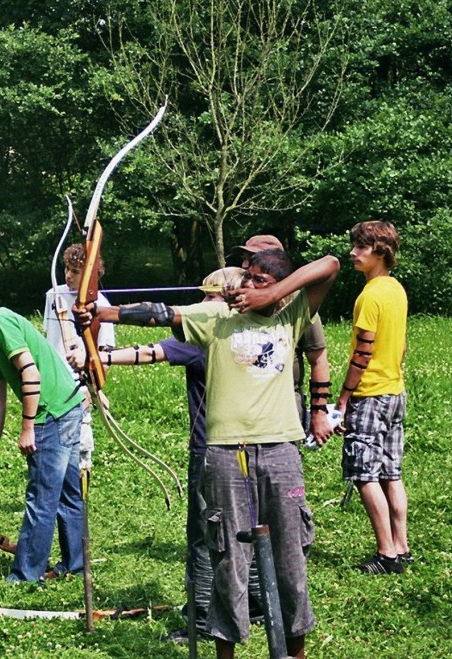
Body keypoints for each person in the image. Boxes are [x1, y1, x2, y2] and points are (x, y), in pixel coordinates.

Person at [77, 250, 339, 659]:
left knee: (291, 562)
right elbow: (161, 315)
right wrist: (99, 314)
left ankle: (295, 652)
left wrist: (272, 297)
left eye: (257, 280)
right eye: (245, 278)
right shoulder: (217, 319)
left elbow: (329, 265)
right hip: (224, 454)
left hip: (280, 452)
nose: (245, 285)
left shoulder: (293, 316)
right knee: (227, 561)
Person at [91, 267, 257, 642]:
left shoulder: (209, 330)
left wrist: (102, 356)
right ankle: (256, 606)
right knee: (249, 530)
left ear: (223, 298)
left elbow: (153, 352)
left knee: (203, 537)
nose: (200, 303)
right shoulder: (253, 329)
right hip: (252, 448)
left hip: (211, 449)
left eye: (208, 296)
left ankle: (200, 623)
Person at [0, 273, 85, 583]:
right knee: (65, 493)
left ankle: (26, 575)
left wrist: (28, 427)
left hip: (54, 413)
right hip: (65, 407)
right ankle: (75, 566)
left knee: (43, 496)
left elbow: (30, 373)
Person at [335, 220, 410, 574]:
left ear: (380, 251)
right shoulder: (396, 289)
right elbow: (402, 345)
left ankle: (386, 554)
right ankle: (401, 547)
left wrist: (343, 399)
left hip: (370, 396)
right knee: (391, 474)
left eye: (361, 247)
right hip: (396, 392)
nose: (353, 252)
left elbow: (362, 353)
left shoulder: (370, 296)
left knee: (365, 474)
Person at [236, 235, 332, 443]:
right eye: (245, 258)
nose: (244, 264)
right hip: (243, 409)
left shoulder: (298, 304)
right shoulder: (239, 299)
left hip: (284, 407)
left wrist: (319, 412)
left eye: (253, 258)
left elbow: (318, 359)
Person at [42, 243, 115, 470]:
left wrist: (95, 388)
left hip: (79, 387)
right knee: (50, 446)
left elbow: (104, 354)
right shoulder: (54, 295)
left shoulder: (101, 305)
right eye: (67, 268)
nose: (68, 274)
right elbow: (48, 341)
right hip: (52, 384)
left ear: (90, 274)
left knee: (80, 451)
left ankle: (78, 500)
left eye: (75, 271)